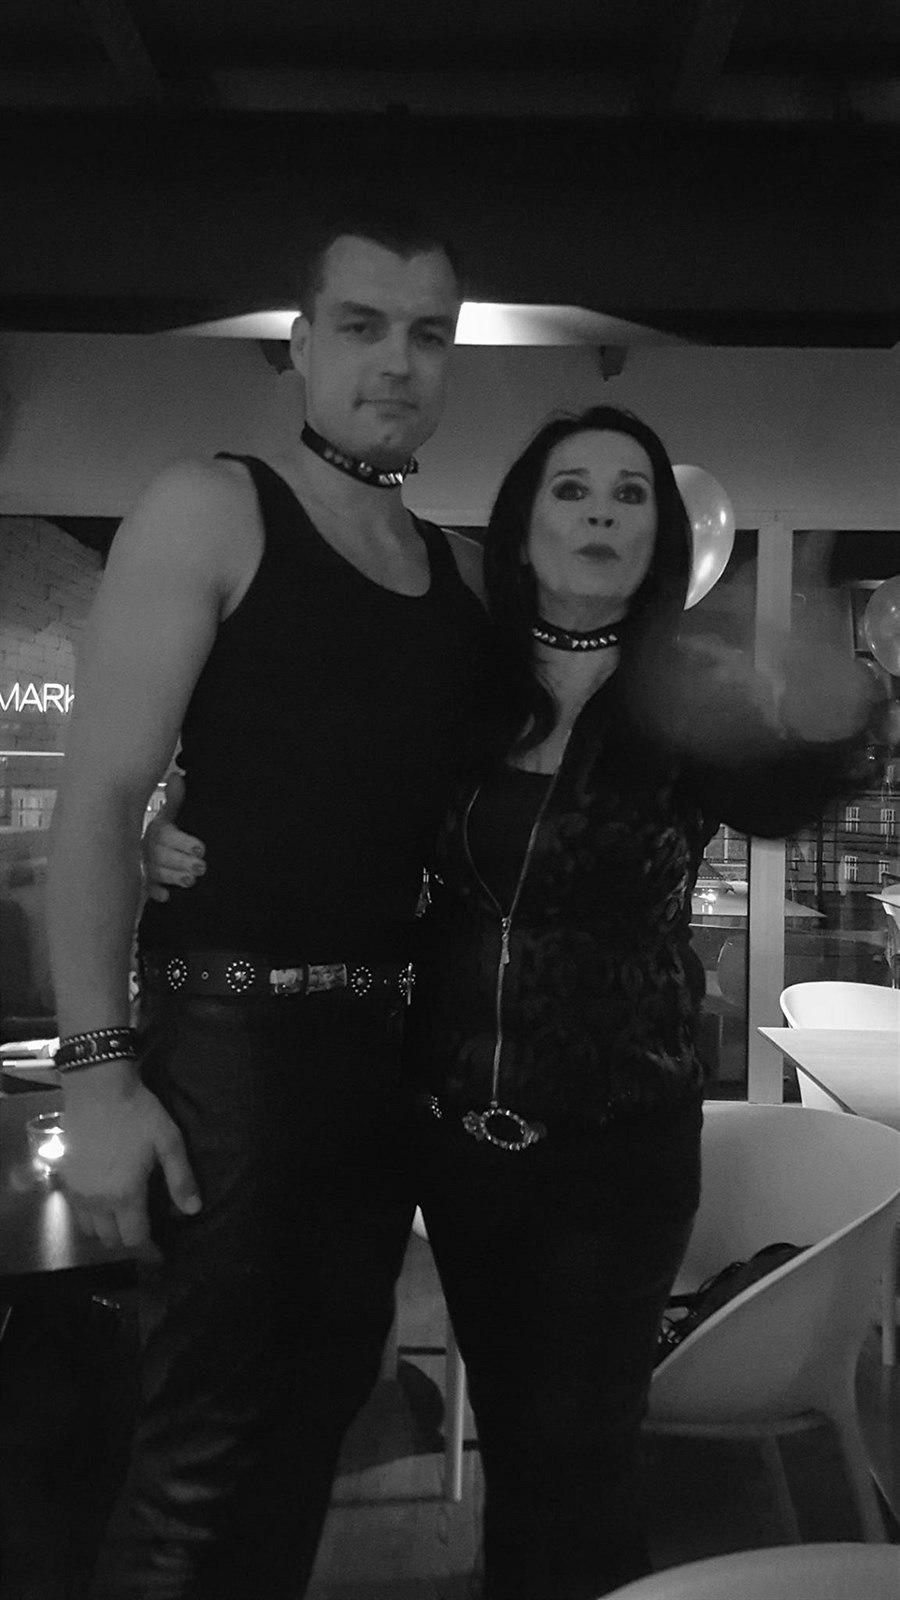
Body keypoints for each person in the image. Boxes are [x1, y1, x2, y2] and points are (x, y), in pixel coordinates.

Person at [146, 404, 875, 1599]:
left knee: (578, 1466)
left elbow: (780, 793)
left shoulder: (685, 688)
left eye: (630, 494)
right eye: (571, 489)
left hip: (617, 1143)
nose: (600, 512)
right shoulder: (463, 681)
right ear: (524, 529)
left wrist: (840, 713)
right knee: (507, 1442)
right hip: (457, 1142)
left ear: (659, 535)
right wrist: (174, 819)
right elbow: (328, 789)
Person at [46, 209, 490, 1599]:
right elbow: (97, 806)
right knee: (200, 1458)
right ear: (297, 345)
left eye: (428, 334)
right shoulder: (214, 504)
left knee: (313, 1427)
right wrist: (96, 1075)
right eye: (361, 325)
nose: (396, 360)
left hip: (379, 1060)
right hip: (228, 1048)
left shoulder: (454, 573)